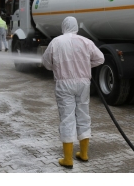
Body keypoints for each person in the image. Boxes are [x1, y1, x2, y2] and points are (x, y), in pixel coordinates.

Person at [42, 16, 104, 169]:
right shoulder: (86, 41)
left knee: (67, 117)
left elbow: (46, 63)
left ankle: (68, 159)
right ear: (76, 27)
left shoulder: (56, 42)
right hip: (83, 83)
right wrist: (86, 64)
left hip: (64, 83)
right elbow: (100, 59)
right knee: (83, 114)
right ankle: (83, 154)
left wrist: (56, 67)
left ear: (64, 26)